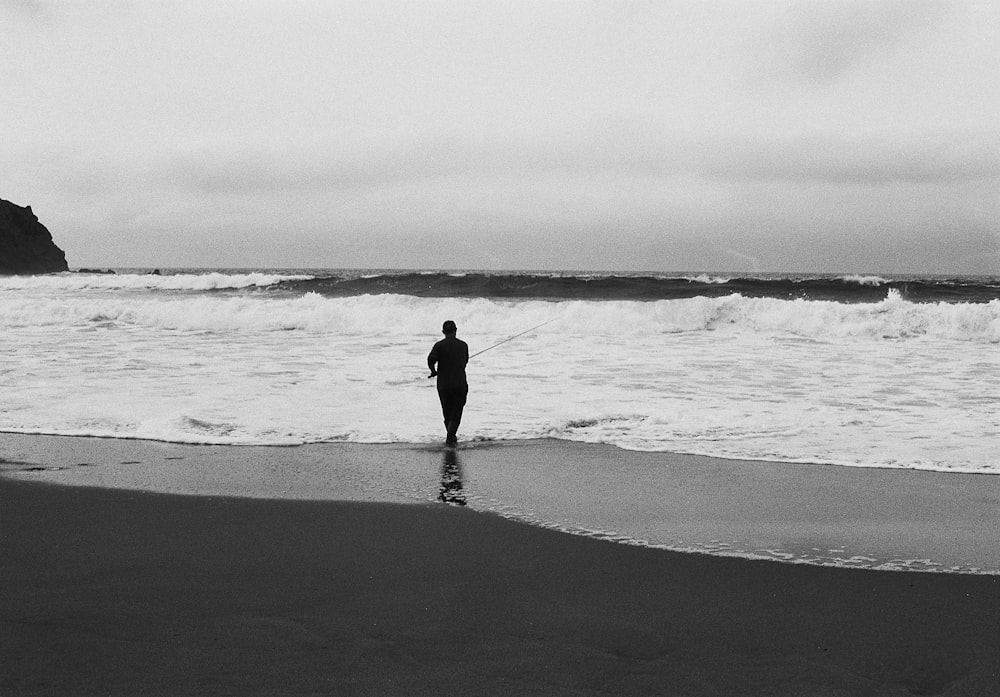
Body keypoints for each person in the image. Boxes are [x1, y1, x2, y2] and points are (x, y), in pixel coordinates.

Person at [427, 320, 469, 447]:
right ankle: (450, 438)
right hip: (459, 383)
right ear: (456, 330)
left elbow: (430, 360)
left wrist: (433, 371)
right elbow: (465, 361)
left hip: (443, 385)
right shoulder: (463, 345)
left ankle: (451, 438)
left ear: (443, 332)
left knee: (447, 413)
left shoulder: (438, 346)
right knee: (456, 412)